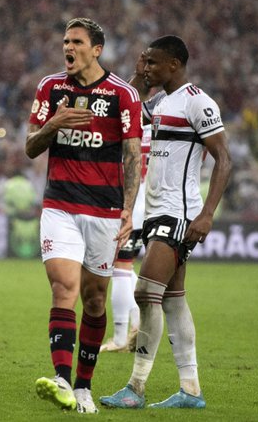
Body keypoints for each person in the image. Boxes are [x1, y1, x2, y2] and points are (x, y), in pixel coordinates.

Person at [99, 35, 231, 409]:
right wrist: (140, 77)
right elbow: (121, 109)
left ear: (175, 64)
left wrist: (207, 214)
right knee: (172, 300)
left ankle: (136, 388)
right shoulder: (158, 102)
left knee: (144, 293)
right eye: (146, 62)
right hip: (157, 210)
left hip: (180, 212)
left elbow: (223, 158)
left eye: (154, 63)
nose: (148, 68)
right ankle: (190, 390)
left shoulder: (198, 102)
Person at [25, 17, 142, 414]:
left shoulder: (122, 94)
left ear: (97, 49)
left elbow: (131, 156)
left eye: (76, 42)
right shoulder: (50, 88)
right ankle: (60, 378)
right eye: (64, 41)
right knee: (64, 288)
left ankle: (83, 386)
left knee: (94, 299)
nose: (67, 48)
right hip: (60, 205)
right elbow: (29, 146)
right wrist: (54, 124)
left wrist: (128, 208)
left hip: (105, 210)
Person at [100, 123, 151, 353]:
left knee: (119, 269)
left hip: (126, 204)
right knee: (125, 267)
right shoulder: (157, 130)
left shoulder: (127, 128)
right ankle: (137, 325)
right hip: (147, 205)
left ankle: (121, 338)